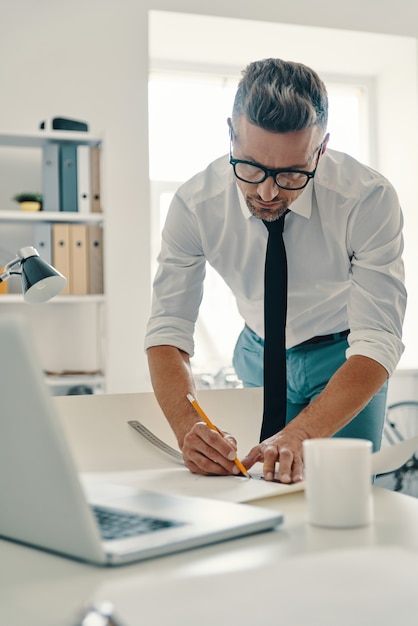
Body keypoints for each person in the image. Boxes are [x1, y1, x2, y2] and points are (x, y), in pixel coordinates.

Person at [145, 58, 406, 484]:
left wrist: (302, 433)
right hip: (257, 352)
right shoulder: (195, 204)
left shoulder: (366, 199)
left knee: (340, 491)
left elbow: (378, 338)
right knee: (252, 488)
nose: (266, 192)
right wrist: (184, 426)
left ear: (320, 150)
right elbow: (168, 330)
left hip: (345, 358)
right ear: (231, 133)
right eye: (250, 166)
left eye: (291, 173)